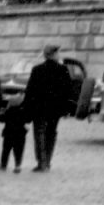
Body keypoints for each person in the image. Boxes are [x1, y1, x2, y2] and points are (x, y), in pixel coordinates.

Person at [23, 44, 72, 173]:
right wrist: (67, 109)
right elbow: (68, 91)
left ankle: (42, 162)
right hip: (55, 109)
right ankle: (47, 161)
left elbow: (30, 91)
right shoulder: (62, 69)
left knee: (39, 134)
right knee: (51, 134)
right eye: (58, 53)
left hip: (39, 108)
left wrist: (27, 110)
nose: (59, 55)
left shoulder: (37, 69)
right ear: (54, 54)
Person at [0, 91, 28, 173]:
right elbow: (28, 120)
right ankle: (17, 165)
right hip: (20, 135)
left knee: (6, 150)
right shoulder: (23, 111)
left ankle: (3, 165)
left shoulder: (8, 111)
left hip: (8, 134)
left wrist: (2, 110)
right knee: (19, 151)